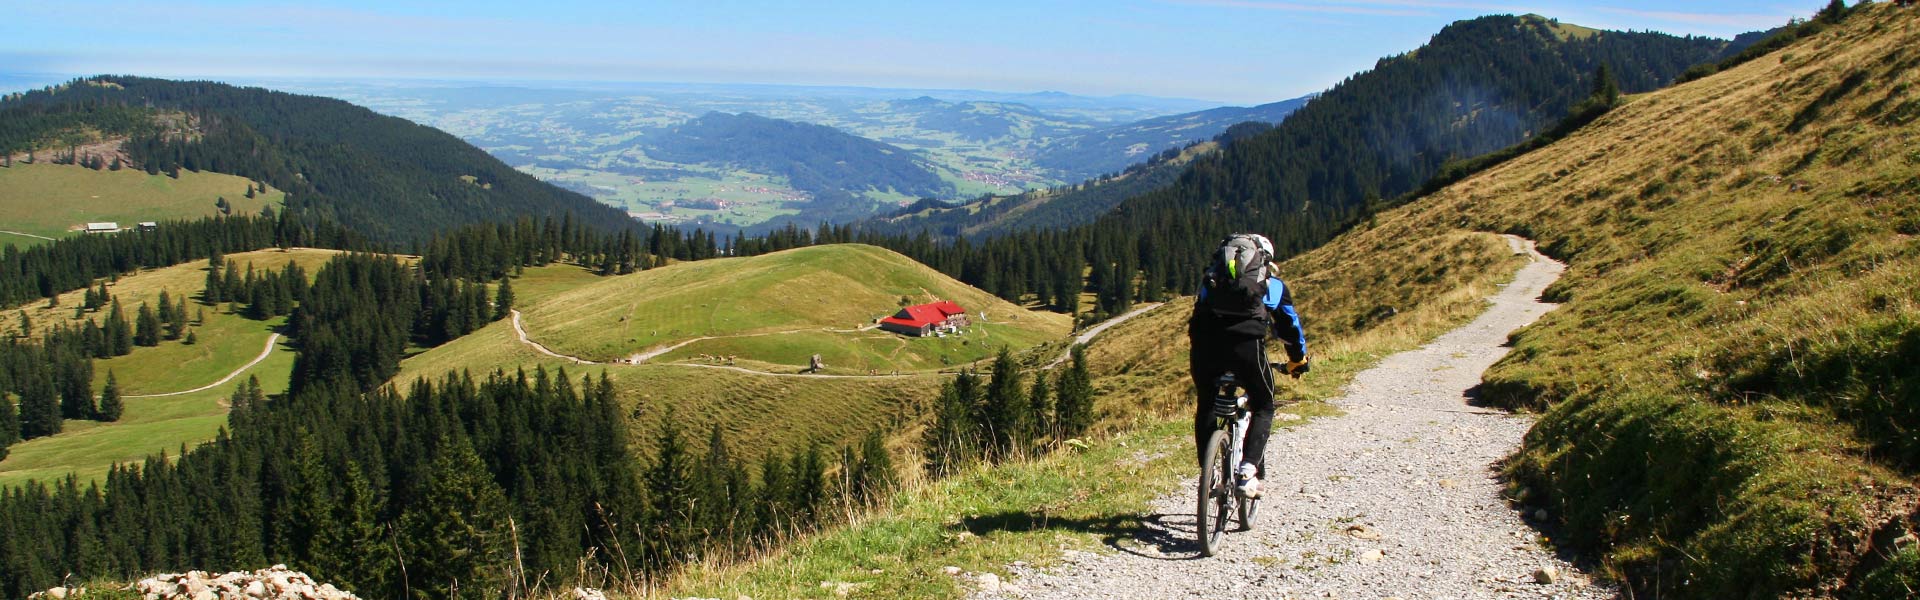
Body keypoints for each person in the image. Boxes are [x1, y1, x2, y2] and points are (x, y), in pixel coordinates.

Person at [1187, 233, 1309, 499]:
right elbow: (1289, 328)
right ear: (1265, 260)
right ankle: (1248, 472)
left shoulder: (1211, 281)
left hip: (1205, 347)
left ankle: (1207, 474)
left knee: (1206, 403)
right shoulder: (1271, 285)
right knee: (1264, 403)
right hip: (1246, 347)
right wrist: (1297, 360)